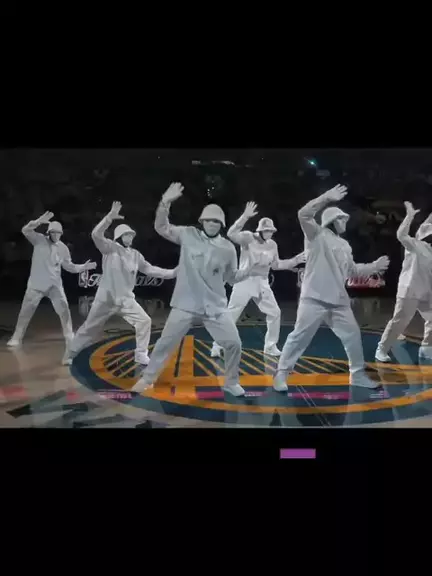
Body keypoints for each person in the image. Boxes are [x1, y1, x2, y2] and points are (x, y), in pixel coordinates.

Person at [131, 182, 254, 396]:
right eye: (209, 220)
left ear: (222, 224)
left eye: (217, 221)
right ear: (202, 221)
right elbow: (161, 228)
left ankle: (231, 382)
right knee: (165, 343)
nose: (213, 224)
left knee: (234, 343)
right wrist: (165, 202)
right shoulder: (188, 234)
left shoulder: (228, 248)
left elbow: (232, 278)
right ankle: (148, 378)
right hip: (185, 303)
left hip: (215, 306)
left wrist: (250, 268)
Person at [272, 184, 390, 392]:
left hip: (338, 301)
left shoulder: (345, 245)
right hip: (313, 298)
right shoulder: (316, 235)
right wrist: (326, 197)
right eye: (341, 218)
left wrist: (373, 266)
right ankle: (281, 373)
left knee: (352, 335)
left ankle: (357, 375)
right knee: (299, 337)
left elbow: (352, 270)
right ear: (331, 220)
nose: (345, 221)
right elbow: (303, 214)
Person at [66, 202, 177, 366]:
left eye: (131, 235)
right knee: (89, 327)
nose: (130, 237)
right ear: (119, 236)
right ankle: (71, 353)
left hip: (126, 300)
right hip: (106, 299)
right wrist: (109, 217)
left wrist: (172, 273)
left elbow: (150, 269)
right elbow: (96, 234)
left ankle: (141, 354)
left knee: (144, 321)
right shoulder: (110, 248)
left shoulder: (135, 255)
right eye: (126, 235)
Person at [210, 201, 305, 358]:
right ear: (260, 230)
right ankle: (216, 346)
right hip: (244, 281)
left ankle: (270, 346)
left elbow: (277, 265)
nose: (269, 233)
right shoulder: (248, 237)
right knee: (231, 315)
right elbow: (231, 234)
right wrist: (245, 216)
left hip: (262, 283)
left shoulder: (272, 244)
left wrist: (295, 260)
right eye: (267, 230)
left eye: (271, 231)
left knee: (275, 313)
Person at [7, 211, 97, 364]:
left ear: (61, 234)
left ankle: (69, 336)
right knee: (25, 312)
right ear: (48, 233)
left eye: (58, 233)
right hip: (36, 285)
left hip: (55, 286)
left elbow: (69, 266)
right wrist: (38, 221)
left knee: (64, 311)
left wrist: (84, 267)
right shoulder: (39, 240)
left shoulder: (63, 248)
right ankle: (17, 337)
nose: (56, 235)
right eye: (53, 232)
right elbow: (25, 230)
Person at [375, 202, 432, 362]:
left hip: (426, 292)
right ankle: (382, 349)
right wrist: (409, 216)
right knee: (399, 321)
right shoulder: (415, 245)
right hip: (409, 291)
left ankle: (427, 348)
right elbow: (401, 235)